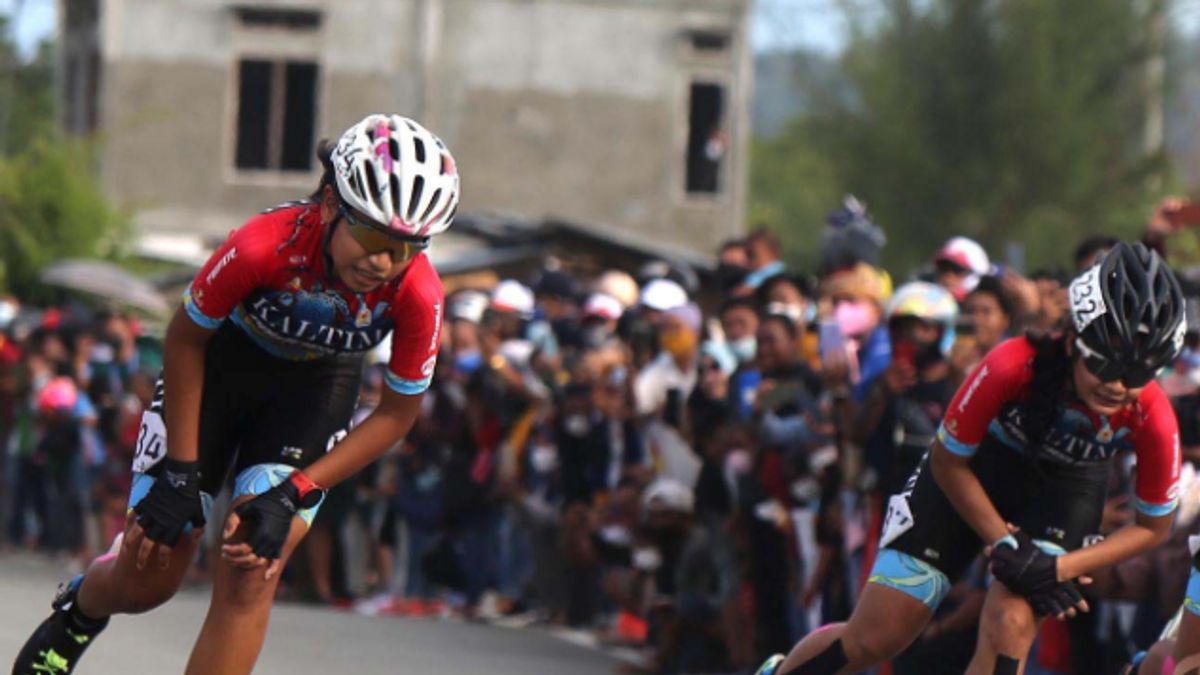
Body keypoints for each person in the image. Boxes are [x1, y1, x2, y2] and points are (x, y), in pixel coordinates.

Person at [12, 113, 459, 675]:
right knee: (150, 574)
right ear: (328, 204)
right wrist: (179, 471)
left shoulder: (419, 292)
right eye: (372, 236)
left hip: (313, 392)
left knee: (255, 565)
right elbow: (184, 339)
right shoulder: (261, 246)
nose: (383, 263)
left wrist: (297, 490)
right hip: (218, 371)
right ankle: (80, 611)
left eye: (407, 247)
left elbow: (396, 415)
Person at [755, 241, 1187, 675]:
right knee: (879, 635)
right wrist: (1005, 542)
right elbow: (947, 462)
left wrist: (1057, 567)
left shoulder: (1154, 415)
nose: (1117, 386)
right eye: (1107, 365)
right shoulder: (1011, 364)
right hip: (967, 476)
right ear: (1074, 340)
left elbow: (1153, 527)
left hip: (1062, 493)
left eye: (1139, 373)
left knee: (1011, 623)